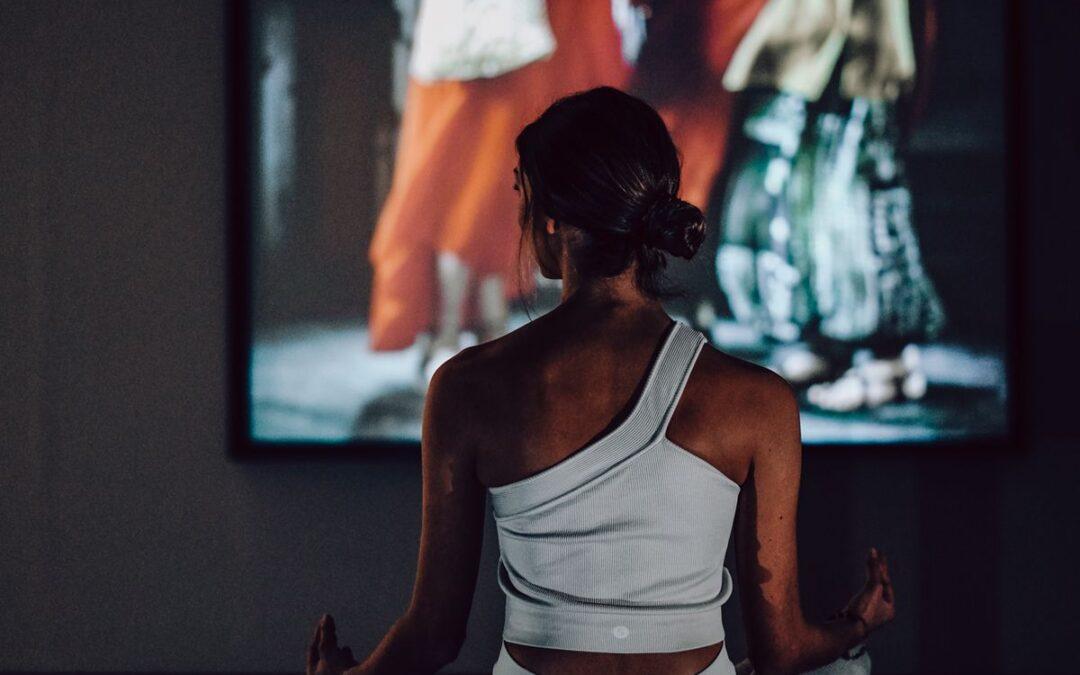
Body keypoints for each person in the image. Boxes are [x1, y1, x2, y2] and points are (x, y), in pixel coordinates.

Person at [308, 87, 894, 675]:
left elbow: (434, 635)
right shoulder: (759, 402)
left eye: (521, 193)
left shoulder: (466, 388)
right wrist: (859, 622)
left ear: (550, 215)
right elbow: (781, 652)